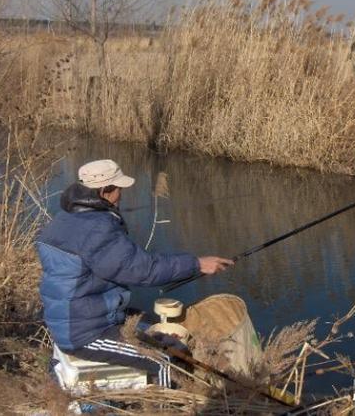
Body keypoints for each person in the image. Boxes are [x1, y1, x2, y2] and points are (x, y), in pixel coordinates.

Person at [35, 159, 233, 382]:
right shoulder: (97, 230)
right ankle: (169, 406)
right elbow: (144, 271)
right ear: (104, 191)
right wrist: (197, 264)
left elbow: (134, 263)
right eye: (118, 188)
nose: (121, 194)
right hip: (86, 333)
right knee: (165, 360)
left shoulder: (66, 218)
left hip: (76, 317)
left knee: (153, 324)